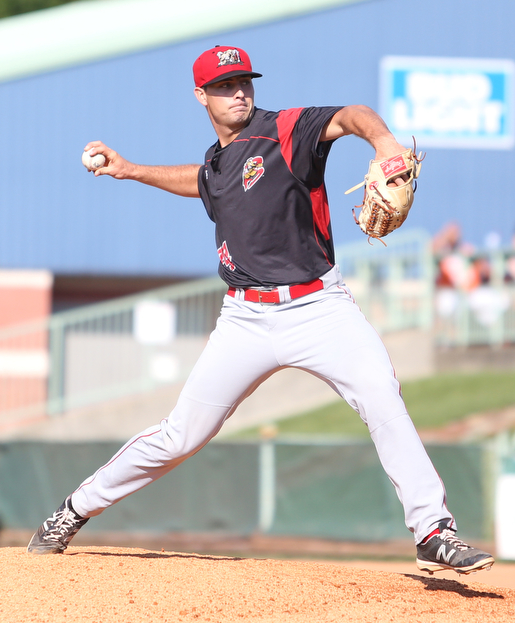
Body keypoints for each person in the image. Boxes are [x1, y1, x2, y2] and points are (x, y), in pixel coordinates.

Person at [27, 45, 494, 576]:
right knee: (180, 435)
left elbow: (350, 115)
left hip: (319, 307)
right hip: (245, 319)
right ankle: (73, 510)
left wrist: (384, 142)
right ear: (201, 95)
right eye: (225, 85)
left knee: (382, 396)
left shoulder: (287, 130)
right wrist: (129, 170)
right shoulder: (218, 162)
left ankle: (433, 530)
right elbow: (202, 183)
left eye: (245, 81)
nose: (240, 91)